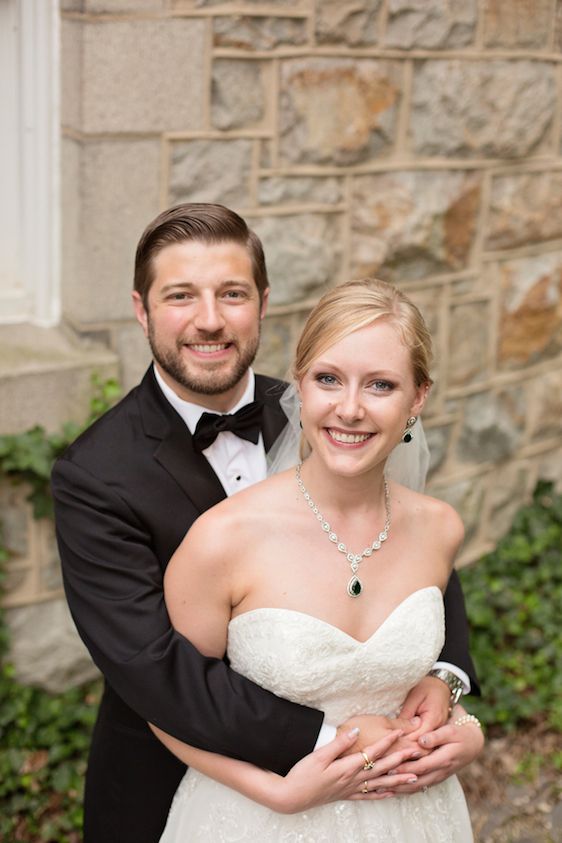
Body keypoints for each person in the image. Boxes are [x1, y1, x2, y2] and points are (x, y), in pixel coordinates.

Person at [51, 205, 480, 843]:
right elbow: (152, 665)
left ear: (263, 302)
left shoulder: (331, 408)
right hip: (181, 778)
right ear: (141, 310)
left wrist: (447, 683)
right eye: (180, 296)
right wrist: (331, 741)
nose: (210, 319)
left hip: (393, 788)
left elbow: (409, 559)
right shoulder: (94, 473)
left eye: (232, 293)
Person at [152, 277, 483, 841]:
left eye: (380, 385)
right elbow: (170, 707)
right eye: (328, 379)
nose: (349, 410)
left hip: (415, 817)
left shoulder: (438, 528)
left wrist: (463, 725)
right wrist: (277, 794)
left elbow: (431, 675)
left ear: (418, 397)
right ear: (300, 384)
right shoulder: (223, 540)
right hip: (256, 818)